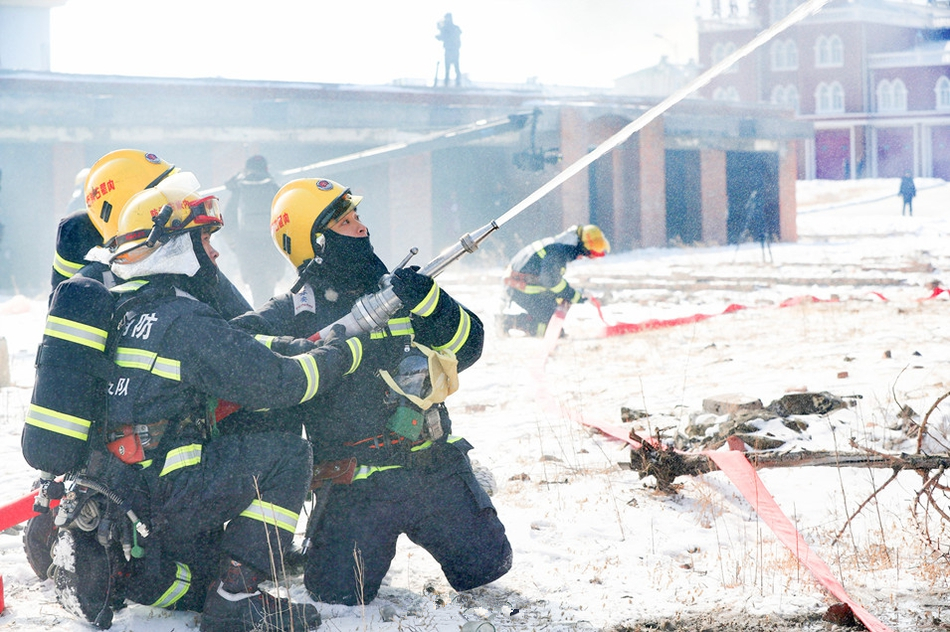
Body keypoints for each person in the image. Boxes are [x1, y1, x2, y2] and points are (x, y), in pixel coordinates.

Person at [43, 175, 394, 632]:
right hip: (166, 492)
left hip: (116, 494)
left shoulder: (119, 305)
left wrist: (292, 341)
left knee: (195, 580)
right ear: (174, 245)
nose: (215, 252)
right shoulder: (183, 320)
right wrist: (350, 352)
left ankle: (146, 575)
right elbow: (282, 384)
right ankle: (237, 596)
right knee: (288, 456)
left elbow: (238, 347)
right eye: (204, 239)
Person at [229, 177, 512, 606]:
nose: (361, 227)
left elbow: (469, 347)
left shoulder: (399, 292)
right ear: (316, 243)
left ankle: (470, 489)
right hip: (354, 486)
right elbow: (232, 349)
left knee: (489, 566)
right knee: (336, 594)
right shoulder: (291, 313)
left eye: (357, 216)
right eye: (345, 221)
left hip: (431, 465)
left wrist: (432, 303)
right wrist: (310, 349)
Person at [24, 150, 253, 584]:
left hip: (99, 466)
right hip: (159, 472)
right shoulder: (177, 274)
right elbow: (245, 339)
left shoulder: (88, 282)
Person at [500, 224, 610, 337]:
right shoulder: (559, 251)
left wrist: (574, 294)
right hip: (520, 289)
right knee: (552, 330)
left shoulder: (559, 246)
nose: (582, 257)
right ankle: (507, 322)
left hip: (522, 286)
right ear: (581, 246)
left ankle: (511, 321)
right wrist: (574, 295)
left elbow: (550, 279)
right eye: (587, 253)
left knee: (553, 313)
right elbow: (551, 281)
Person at [224, 155, 284, 306]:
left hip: (247, 246)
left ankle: (258, 317)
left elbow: (227, 220)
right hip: (271, 245)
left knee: (255, 285)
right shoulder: (273, 188)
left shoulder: (240, 189)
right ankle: (270, 317)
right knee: (269, 285)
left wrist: (234, 245)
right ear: (266, 168)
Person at [740, 190, 772, 262]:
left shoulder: (758, 206)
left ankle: (766, 256)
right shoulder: (755, 204)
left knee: (762, 234)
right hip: (758, 220)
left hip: (760, 221)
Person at [436, 13, 462, 87]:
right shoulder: (447, 28)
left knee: (455, 67)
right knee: (448, 67)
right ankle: (447, 83)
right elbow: (441, 37)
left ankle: (457, 83)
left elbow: (443, 36)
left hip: (453, 50)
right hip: (449, 50)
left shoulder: (452, 28)